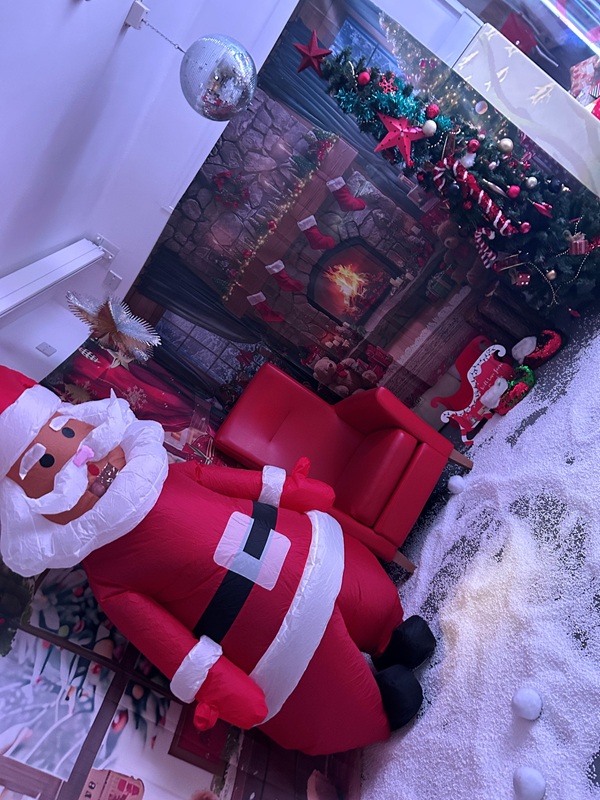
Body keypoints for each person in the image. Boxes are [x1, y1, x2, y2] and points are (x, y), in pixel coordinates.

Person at [0, 364, 435, 755]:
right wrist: (221, 687)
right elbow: (169, 643)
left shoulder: (168, 473)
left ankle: (388, 635)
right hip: (272, 637)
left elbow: (231, 482)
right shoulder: (110, 575)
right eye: (47, 462)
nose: (83, 463)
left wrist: (293, 491)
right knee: (336, 698)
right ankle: (377, 709)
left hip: (309, 548)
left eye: (68, 434)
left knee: (371, 597)